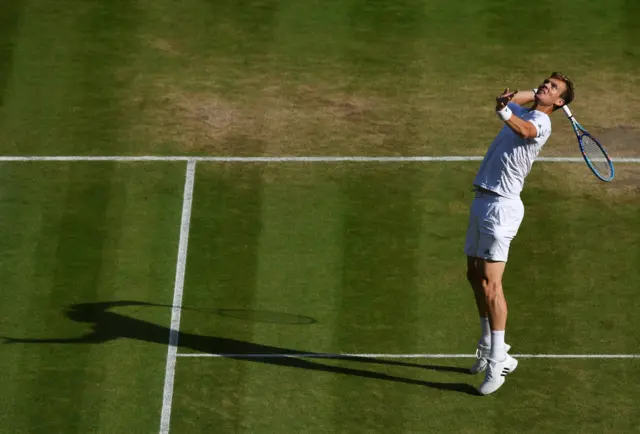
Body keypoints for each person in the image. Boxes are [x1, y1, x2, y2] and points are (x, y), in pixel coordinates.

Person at [465, 72, 575, 395]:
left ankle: (498, 364)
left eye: (553, 87)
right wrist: (518, 99)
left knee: (492, 286)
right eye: (546, 81)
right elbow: (512, 101)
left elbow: (524, 129)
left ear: (560, 102)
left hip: (502, 209)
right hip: (482, 199)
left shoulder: (541, 124)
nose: (545, 86)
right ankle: (489, 346)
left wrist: (504, 110)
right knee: (473, 275)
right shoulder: (527, 109)